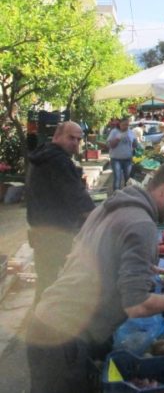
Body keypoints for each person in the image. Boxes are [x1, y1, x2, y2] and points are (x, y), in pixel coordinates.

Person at [26, 160, 164, 393]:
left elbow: (86, 257)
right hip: (64, 338)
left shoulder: (111, 207)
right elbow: (137, 306)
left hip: (47, 324)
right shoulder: (142, 224)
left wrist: (143, 270)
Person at [26, 121, 96, 304]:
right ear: (57, 136)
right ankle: (43, 327)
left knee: (46, 281)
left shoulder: (45, 155)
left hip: (41, 231)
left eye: (78, 139)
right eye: (71, 137)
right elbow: (77, 198)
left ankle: (37, 324)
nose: (75, 143)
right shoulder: (58, 161)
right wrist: (97, 218)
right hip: (55, 233)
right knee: (58, 283)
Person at [107, 117, 138, 191]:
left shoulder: (130, 132)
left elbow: (134, 145)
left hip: (128, 159)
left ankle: (126, 195)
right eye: (124, 125)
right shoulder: (114, 132)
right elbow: (110, 145)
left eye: (127, 125)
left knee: (128, 179)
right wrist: (117, 140)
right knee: (117, 178)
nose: (126, 126)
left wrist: (135, 141)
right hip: (116, 159)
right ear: (119, 124)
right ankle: (116, 195)